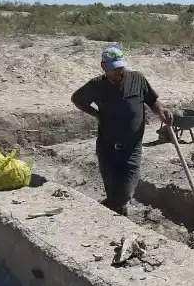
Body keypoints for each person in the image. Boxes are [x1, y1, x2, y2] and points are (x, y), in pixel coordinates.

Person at [71, 46, 172, 216]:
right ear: (104, 67)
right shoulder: (96, 85)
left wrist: (161, 110)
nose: (120, 72)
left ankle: (114, 210)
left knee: (124, 192)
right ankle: (113, 217)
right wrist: (96, 114)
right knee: (112, 190)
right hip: (107, 146)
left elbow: (153, 101)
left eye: (121, 67)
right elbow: (77, 99)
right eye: (115, 69)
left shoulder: (137, 79)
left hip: (132, 147)